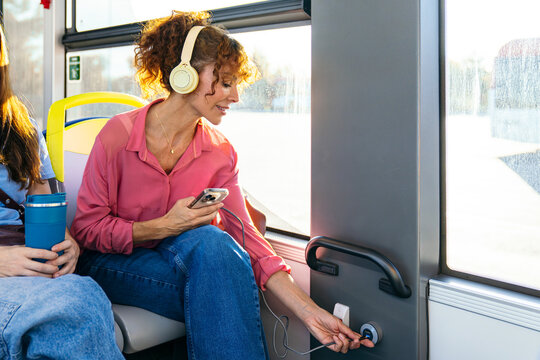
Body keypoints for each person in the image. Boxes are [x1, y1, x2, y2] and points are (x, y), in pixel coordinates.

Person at [71, 11, 374, 359]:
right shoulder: (117, 136)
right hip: (110, 264)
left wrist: (311, 313)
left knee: (214, 243)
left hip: (182, 261)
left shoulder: (220, 152)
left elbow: (251, 241)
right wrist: (162, 226)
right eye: (226, 82)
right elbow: (87, 229)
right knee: (225, 287)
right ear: (185, 76)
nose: (236, 96)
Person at [0, 25, 124, 359]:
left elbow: (43, 197)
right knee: (73, 306)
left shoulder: (18, 126)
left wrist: (68, 242)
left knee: (78, 294)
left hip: (33, 260)